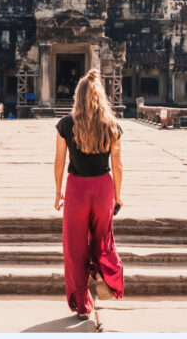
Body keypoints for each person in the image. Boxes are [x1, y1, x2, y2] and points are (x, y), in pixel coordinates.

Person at [54, 69, 124, 320]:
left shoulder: (66, 124)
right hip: (103, 187)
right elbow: (117, 164)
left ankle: (83, 304)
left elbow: (59, 161)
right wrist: (117, 195)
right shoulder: (111, 125)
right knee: (102, 239)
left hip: (77, 188)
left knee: (74, 246)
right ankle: (107, 276)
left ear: (78, 96)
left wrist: (57, 191)